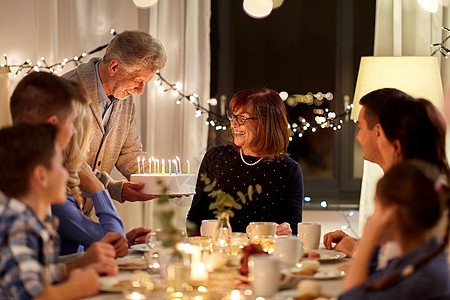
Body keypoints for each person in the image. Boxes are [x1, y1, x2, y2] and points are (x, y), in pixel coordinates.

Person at [9, 71, 125, 268]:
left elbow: (43, 269)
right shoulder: (45, 187)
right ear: (53, 125)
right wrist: (97, 187)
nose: (74, 132)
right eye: (72, 123)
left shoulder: (22, 173)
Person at [324, 91, 449, 259]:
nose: (358, 137)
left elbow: (401, 267)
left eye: (360, 127)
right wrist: (360, 243)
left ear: (379, 132)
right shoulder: (408, 187)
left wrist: (358, 251)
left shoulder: (418, 196)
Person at [62, 30, 167, 207]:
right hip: (56, 209)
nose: (140, 90)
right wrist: (112, 188)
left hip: (85, 210)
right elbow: (67, 162)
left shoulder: (125, 100)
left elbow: (129, 152)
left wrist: (162, 183)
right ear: (114, 67)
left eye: (145, 83)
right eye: (137, 80)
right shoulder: (67, 92)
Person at [0, 124, 100, 299]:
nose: (67, 174)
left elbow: (39, 276)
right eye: (61, 166)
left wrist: (79, 267)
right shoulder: (16, 226)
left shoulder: (35, 222)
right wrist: (80, 287)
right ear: (41, 176)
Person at [187, 88, 303, 235]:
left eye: (242, 118)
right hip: (217, 253)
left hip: (263, 255)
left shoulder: (289, 169)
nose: (234, 124)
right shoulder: (216, 157)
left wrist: (285, 230)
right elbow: (194, 220)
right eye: (233, 116)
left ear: (265, 123)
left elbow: (292, 229)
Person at [52, 99, 151, 255]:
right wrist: (97, 187)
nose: (91, 144)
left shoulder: (62, 190)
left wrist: (124, 241)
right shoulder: (57, 200)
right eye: (90, 135)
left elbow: (83, 243)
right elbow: (113, 239)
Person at [340, 160, 449, 299]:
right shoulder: (419, 257)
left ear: (393, 214)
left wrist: (368, 237)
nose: (372, 217)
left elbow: (350, 297)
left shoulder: (419, 279)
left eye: (377, 207)